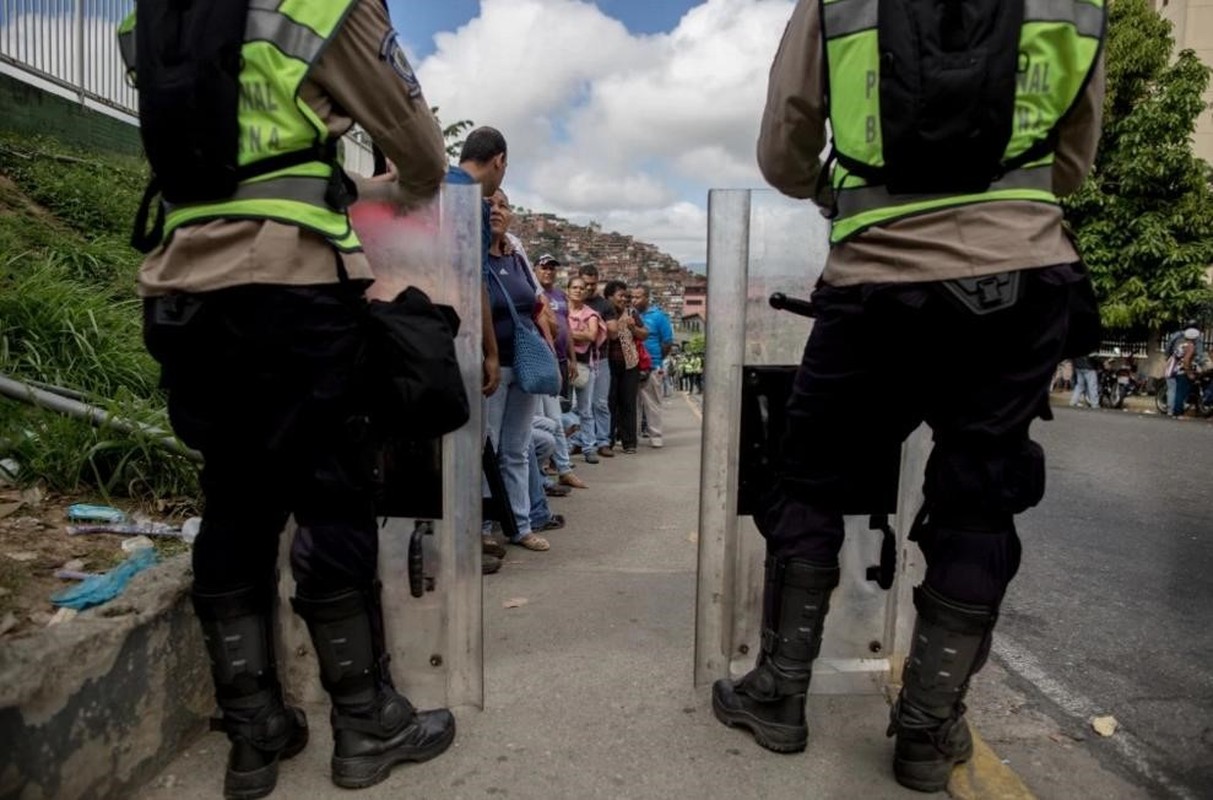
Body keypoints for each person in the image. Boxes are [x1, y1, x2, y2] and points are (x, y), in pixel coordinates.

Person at [711, 1, 1106, 793]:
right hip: (1019, 280)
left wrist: (843, 187)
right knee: (979, 496)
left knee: (808, 479)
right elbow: (1071, 162)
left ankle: (779, 694)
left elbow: (783, 149)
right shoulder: (1073, 5)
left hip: (875, 283)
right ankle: (926, 734)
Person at [119, 0, 460, 794]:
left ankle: (253, 732)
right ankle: (366, 722)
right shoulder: (319, 3)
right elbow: (419, 149)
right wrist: (402, 189)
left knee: (234, 498)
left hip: (183, 294)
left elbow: (234, 145)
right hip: (290, 287)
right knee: (331, 495)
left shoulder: (150, 15)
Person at [482, 189, 551, 552]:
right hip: (490, 369)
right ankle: (484, 526)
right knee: (486, 450)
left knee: (516, 450)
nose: (496, 210)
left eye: (503, 205)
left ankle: (520, 526)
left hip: (523, 365)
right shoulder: (472, 256)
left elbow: (536, 304)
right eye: (489, 204)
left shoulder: (518, 257)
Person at [534, 254, 588, 488]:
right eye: (544, 267)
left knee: (555, 417)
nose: (548, 272)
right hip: (540, 362)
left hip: (561, 361)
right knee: (548, 420)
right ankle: (556, 470)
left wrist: (573, 359)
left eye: (552, 268)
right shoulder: (533, 292)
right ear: (535, 269)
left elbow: (564, 328)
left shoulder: (559, 296)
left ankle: (558, 468)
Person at [604, 279, 646, 453]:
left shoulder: (631, 313)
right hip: (608, 364)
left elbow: (645, 334)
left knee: (628, 403)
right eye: (620, 295)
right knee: (609, 403)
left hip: (630, 364)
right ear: (609, 297)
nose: (624, 299)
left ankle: (629, 443)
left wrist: (633, 329)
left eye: (625, 296)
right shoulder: (604, 312)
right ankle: (608, 440)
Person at [579, 265, 618, 457]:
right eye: (585, 284)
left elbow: (612, 333)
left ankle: (603, 441)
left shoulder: (604, 305)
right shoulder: (570, 302)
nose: (588, 288)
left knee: (600, 403)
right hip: (578, 360)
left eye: (593, 284)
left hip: (600, 359)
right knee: (578, 405)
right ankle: (581, 440)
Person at [567, 275, 606, 463]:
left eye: (581, 288)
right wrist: (576, 334)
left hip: (584, 365)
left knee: (585, 409)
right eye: (574, 287)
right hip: (562, 363)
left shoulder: (590, 313)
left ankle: (589, 447)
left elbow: (591, 336)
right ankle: (564, 448)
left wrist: (567, 333)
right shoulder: (561, 310)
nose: (578, 290)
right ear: (568, 290)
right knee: (563, 408)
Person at [631, 285, 674, 447]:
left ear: (647, 298)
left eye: (638, 296)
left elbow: (667, 342)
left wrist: (655, 360)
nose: (634, 300)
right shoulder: (629, 315)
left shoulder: (658, 317)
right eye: (633, 296)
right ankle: (631, 437)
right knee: (632, 404)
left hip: (653, 366)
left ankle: (655, 435)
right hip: (632, 366)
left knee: (652, 404)